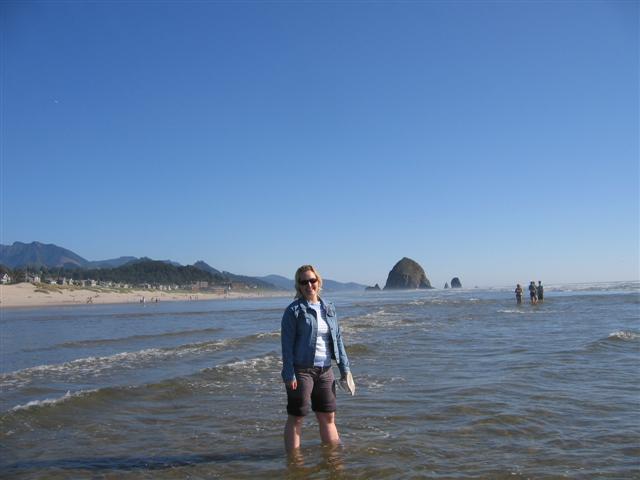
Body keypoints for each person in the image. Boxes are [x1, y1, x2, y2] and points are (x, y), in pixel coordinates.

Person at [281, 265, 351, 453]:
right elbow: (286, 345)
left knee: (328, 417)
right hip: (301, 371)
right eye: (304, 282)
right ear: (299, 285)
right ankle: (294, 462)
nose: (309, 285)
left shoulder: (329, 308)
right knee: (297, 417)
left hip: (326, 371)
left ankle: (333, 458)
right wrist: (289, 373)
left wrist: (345, 369)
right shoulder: (293, 311)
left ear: (318, 282)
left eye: (312, 280)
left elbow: (337, 338)